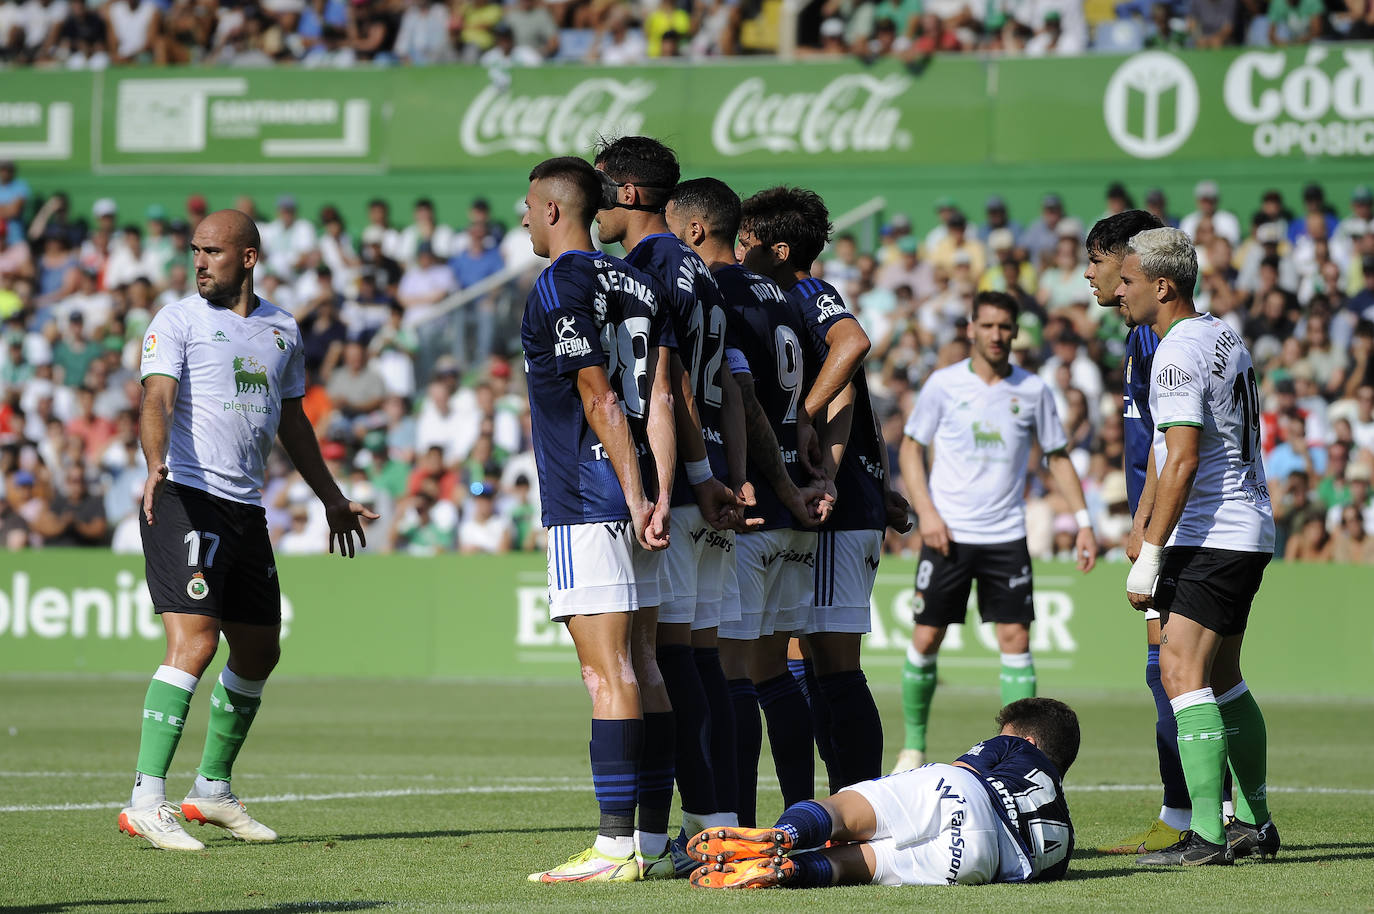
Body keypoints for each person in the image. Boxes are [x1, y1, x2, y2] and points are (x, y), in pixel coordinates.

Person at [121, 209, 377, 852]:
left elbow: (294, 424)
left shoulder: (281, 328)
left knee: (261, 650)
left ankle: (211, 790)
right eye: (194, 250)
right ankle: (146, 799)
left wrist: (332, 500)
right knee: (195, 643)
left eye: (211, 251)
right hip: (183, 494)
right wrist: (155, 463)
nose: (199, 261)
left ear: (249, 258)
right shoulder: (176, 320)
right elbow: (156, 400)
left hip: (245, 508)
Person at [518, 156, 678, 883]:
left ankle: (614, 849)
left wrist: (633, 493)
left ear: (554, 210)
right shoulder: (641, 280)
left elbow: (599, 396)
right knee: (645, 667)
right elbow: (666, 398)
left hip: (592, 496)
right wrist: (660, 492)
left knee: (605, 673)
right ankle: (649, 843)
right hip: (641, 491)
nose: (523, 219)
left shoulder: (559, 282)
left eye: (527, 207)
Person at [593, 136, 745, 867]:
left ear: (626, 194)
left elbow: (668, 381)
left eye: (600, 189)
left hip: (679, 485)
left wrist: (689, 473)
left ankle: (701, 823)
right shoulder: (704, 271)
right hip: (709, 476)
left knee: (663, 660)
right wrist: (730, 473)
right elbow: (733, 388)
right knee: (701, 658)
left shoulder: (647, 266)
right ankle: (714, 814)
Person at [664, 177, 833, 826]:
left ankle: (727, 823)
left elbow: (743, 395)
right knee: (771, 670)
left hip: (754, 498)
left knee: (725, 667)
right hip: (789, 507)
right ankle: (795, 816)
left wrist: (760, 479)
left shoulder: (715, 288)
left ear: (696, 229)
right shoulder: (786, 296)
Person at [742, 185, 911, 796]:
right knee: (805, 661)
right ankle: (826, 809)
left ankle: (857, 808)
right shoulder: (782, 300)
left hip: (839, 504)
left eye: (748, 241)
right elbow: (856, 398)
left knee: (835, 668)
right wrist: (884, 482)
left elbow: (854, 346)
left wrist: (798, 420)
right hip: (844, 495)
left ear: (780, 249)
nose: (740, 250)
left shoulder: (808, 292)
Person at [1117, 227, 1277, 866]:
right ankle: (1256, 823)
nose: (1121, 291)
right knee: (1224, 678)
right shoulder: (1224, 334)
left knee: (1180, 672)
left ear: (1163, 285)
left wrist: (1151, 554)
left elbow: (1179, 461)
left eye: (1128, 280)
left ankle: (1209, 835)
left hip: (1213, 531)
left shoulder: (1175, 352)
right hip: (1246, 526)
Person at [895, 291, 1096, 774]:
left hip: (1006, 535)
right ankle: (914, 746)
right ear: (971, 328)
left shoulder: (1032, 390)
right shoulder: (943, 385)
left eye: (1006, 327)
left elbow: (1058, 455)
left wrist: (1085, 522)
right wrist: (927, 513)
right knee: (926, 638)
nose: (997, 335)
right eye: (988, 326)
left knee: (1014, 638)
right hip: (949, 533)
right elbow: (909, 448)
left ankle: (1020, 755)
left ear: (1015, 331)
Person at [1085, 208, 1210, 856]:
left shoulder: (1165, 336)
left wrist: (1144, 527)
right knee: (1181, 668)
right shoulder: (1141, 336)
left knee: (1176, 667)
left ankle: (1188, 813)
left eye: (1098, 262)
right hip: (1163, 511)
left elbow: (1174, 447)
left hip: (1178, 518)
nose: (1090, 275)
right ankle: (1203, 811)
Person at [686, 697, 1079, 889]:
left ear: (1028, 739)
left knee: (843, 813)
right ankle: (792, 869)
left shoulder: (1021, 749)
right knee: (864, 864)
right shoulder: (1066, 835)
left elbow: (962, 773)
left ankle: (785, 835)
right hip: (981, 863)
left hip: (964, 794)